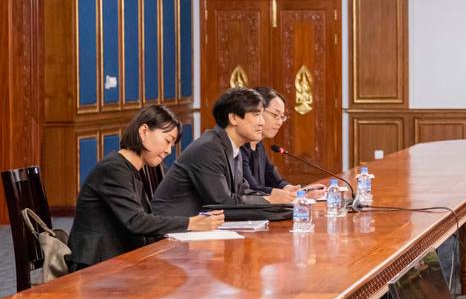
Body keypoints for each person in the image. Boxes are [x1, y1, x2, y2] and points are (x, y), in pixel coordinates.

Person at [68, 105, 224, 268]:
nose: (169, 151)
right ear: (144, 132)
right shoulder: (113, 169)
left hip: (117, 259)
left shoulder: (139, 168)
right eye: (167, 141)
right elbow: (136, 222)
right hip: (95, 266)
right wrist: (192, 223)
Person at [152, 87, 296, 217]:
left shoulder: (232, 146)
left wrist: (279, 199)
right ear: (233, 118)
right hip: (172, 232)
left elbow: (242, 192)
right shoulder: (209, 148)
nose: (262, 122)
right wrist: (269, 199)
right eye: (256, 115)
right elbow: (223, 202)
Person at [241, 86, 300, 195]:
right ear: (258, 111)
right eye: (276, 115)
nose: (280, 122)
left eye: (282, 117)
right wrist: (283, 194)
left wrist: (294, 190)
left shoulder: (259, 145)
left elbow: (274, 178)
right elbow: (252, 189)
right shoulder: (239, 146)